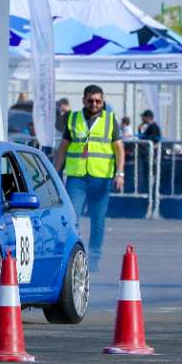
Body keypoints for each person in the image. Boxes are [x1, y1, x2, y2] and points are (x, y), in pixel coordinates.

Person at [53, 84, 124, 272]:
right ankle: (72, 255)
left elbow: (119, 149)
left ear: (103, 101)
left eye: (98, 101)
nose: (94, 104)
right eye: (91, 100)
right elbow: (63, 148)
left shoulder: (110, 119)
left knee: (98, 221)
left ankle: (93, 259)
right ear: (84, 100)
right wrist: (53, 173)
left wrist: (120, 174)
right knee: (72, 217)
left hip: (101, 178)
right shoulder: (74, 118)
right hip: (77, 178)